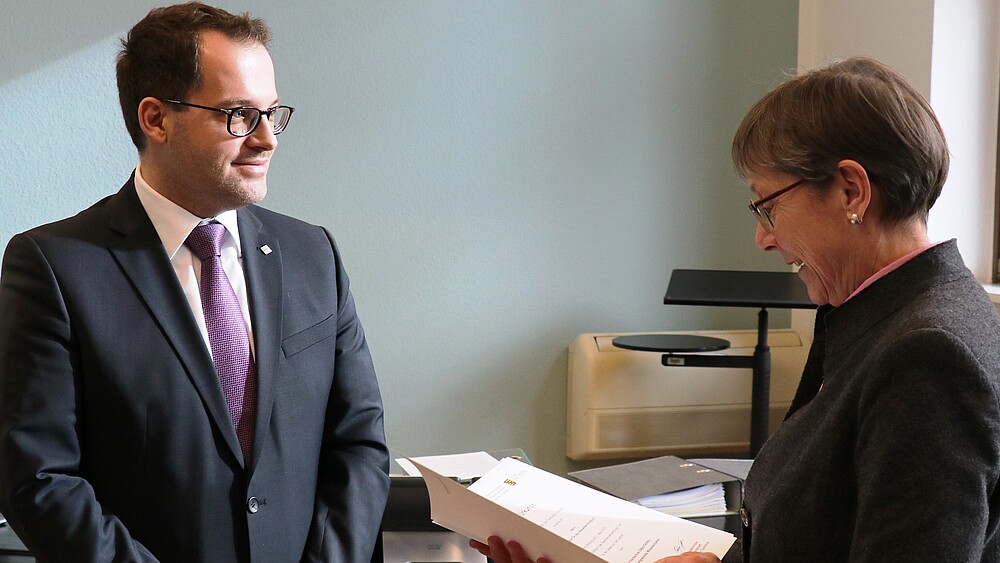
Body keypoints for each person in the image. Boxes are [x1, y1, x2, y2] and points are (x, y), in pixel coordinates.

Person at [473, 56, 1000, 562]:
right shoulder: (890, 316)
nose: (762, 238)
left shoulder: (925, 353)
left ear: (850, 190)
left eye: (768, 206)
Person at [0, 3, 390, 562]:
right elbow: (38, 479)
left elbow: (358, 443)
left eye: (271, 113)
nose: (266, 139)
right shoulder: (55, 266)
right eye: (237, 115)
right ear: (156, 119)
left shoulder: (313, 256)